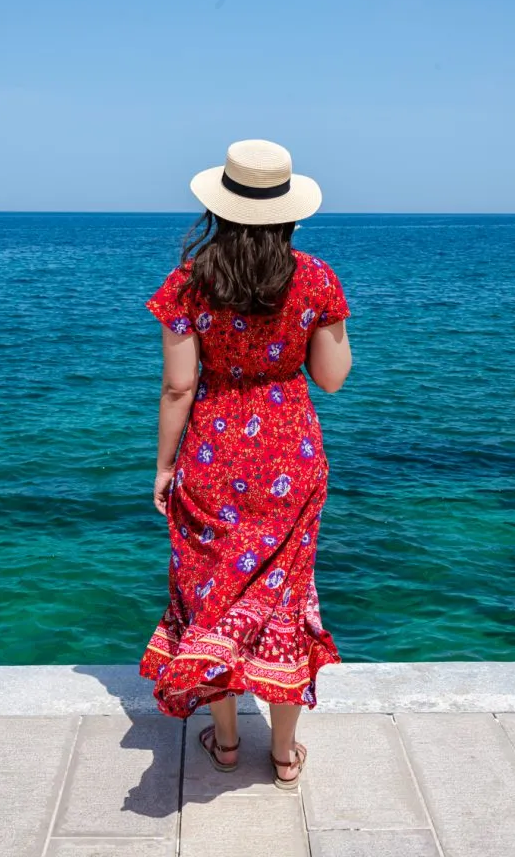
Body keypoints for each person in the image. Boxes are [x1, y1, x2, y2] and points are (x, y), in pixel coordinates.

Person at [139, 139, 351, 789]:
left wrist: (162, 468)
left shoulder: (188, 283)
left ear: (220, 210)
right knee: (285, 601)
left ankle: (226, 741)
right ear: (287, 211)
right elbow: (332, 379)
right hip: (289, 458)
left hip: (211, 456)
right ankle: (284, 754)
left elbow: (178, 387)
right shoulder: (314, 278)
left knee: (209, 596)